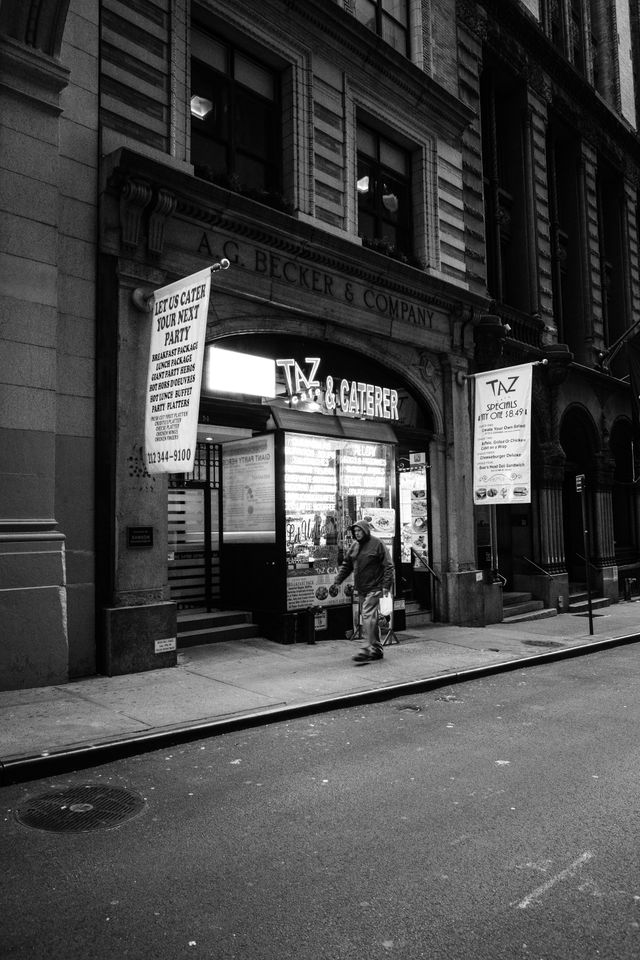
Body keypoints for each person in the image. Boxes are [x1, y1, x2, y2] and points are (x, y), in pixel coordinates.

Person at [333, 519, 394, 663]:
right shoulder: (354, 546)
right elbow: (347, 565)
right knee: (370, 619)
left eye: (359, 530)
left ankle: (366, 648)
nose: (357, 533)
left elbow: (388, 566)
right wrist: (338, 580)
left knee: (367, 614)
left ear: (366, 530)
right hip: (362, 589)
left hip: (376, 587)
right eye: (355, 531)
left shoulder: (378, 544)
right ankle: (377, 649)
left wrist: (386, 586)